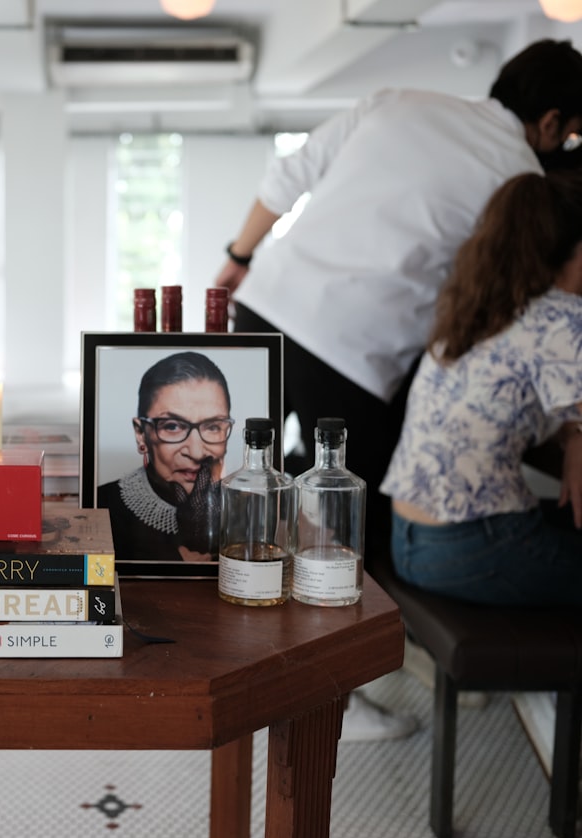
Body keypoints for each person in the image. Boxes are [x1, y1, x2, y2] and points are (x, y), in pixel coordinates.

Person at [215, 39, 582, 556]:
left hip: (268, 301)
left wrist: (241, 256)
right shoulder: (522, 180)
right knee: (352, 526)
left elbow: (289, 174)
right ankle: (324, 624)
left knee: (237, 475)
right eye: (572, 131)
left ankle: (226, 586)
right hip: (354, 351)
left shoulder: (398, 100)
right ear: (550, 122)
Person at [381, 171, 582, 605]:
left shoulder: (472, 313)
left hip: (408, 540)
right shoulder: (562, 317)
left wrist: (573, 435)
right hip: (476, 548)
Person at [97, 351, 234, 563]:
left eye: (213, 427)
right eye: (172, 426)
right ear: (141, 433)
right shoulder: (101, 508)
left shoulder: (253, 511)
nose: (196, 452)